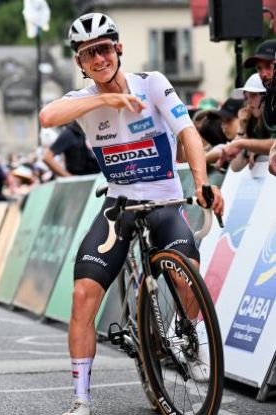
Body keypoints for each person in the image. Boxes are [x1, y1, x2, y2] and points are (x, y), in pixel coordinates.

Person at [39, 13, 224, 415]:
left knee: (185, 270)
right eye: (89, 54)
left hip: (162, 202)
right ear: (80, 63)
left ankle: (186, 339)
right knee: (83, 296)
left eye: (104, 49)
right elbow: (46, 117)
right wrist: (105, 99)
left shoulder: (152, 83)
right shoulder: (83, 101)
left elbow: (188, 133)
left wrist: (203, 182)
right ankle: (81, 399)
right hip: (118, 207)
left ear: (118, 48)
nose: (99, 59)